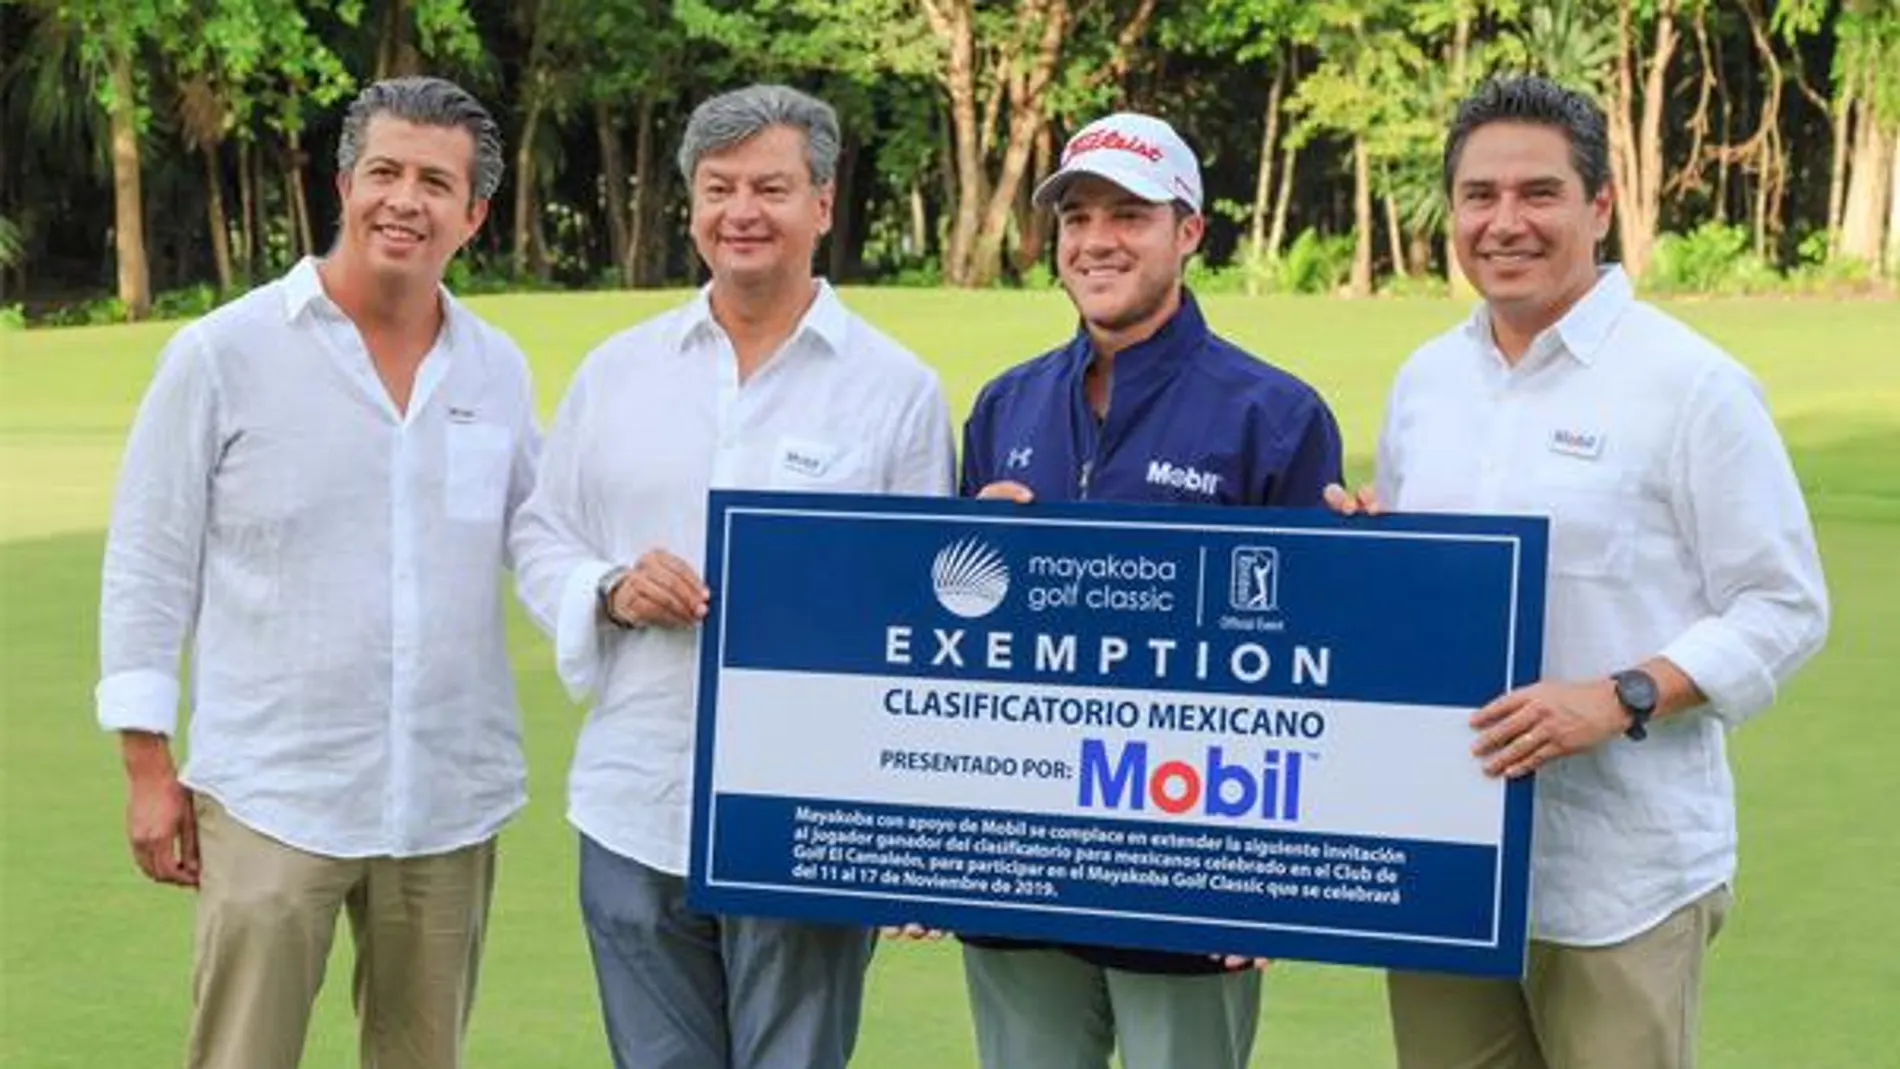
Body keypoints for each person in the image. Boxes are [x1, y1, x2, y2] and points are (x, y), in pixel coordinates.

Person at [1327, 75, 1830, 1069]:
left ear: (1599, 205)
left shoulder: (1690, 386)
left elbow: (1783, 605)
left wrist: (1620, 695)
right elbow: (1420, 597)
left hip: (1619, 877)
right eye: (1479, 196)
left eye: (1537, 192)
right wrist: (1362, 561)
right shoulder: (1426, 382)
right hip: (1443, 863)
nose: (1503, 222)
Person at [508, 83, 955, 1069]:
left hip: (812, 814)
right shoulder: (618, 372)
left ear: (823, 205)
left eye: (771, 186)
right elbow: (542, 532)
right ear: (692, 205)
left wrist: (912, 825)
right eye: (718, 188)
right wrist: (609, 589)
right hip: (634, 798)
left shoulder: (896, 390)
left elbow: (927, 616)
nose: (741, 211)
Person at [96, 77, 537, 1069]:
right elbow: (147, 560)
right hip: (271, 794)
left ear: (472, 215)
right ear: (343, 184)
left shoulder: (497, 368)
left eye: (435, 181)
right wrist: (145, 764)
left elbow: (541, 534)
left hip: (445, 800)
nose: (403, 199)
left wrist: (618, 585)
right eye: (383, 170)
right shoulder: (221, 354)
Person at [955, 111, 1343, 1069]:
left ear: (1190, 233)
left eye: (1129, 213)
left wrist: (1270, 878)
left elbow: (1317, 668)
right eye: (1078, 215)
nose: (1096, 239)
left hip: (1192, 871)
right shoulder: (1004, 404)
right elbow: (954, 638)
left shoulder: (1276, 416)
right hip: (1020, 864)